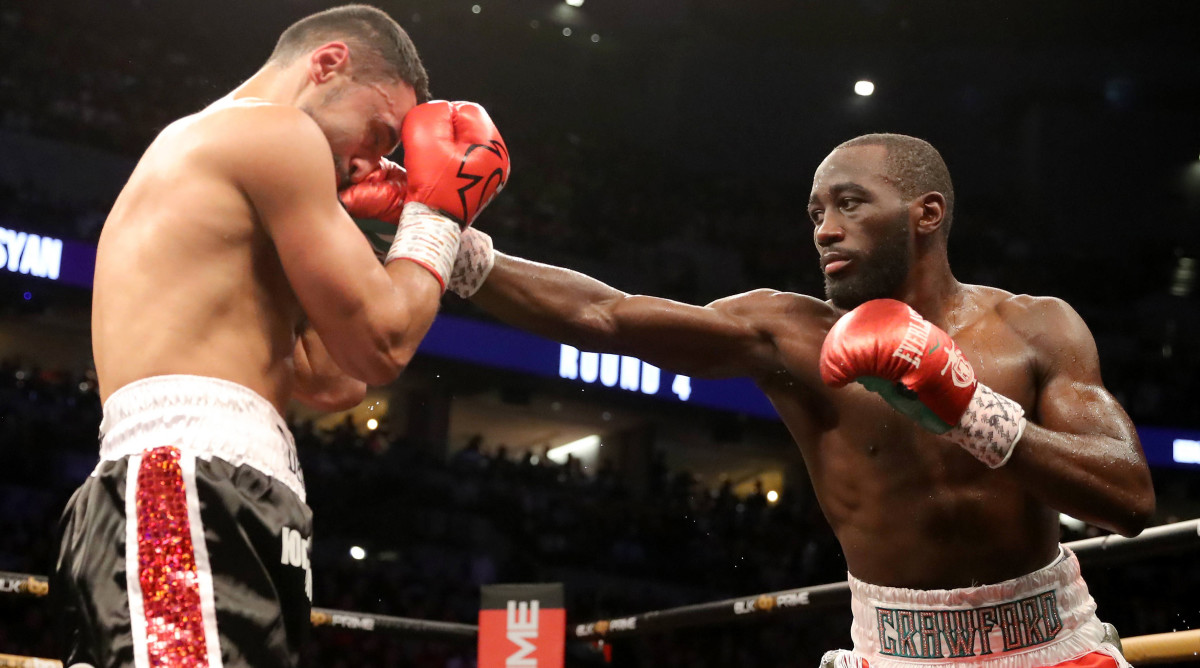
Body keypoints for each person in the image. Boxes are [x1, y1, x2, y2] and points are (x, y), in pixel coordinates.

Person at [445, 133, 1154, 668]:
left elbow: (1128, 498)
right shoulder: (788, 336)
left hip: (1054, 645)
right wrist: (450, 244)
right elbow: (607, 314)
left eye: (849, 203)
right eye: (816, 211)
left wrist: (969, 412)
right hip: (895, 653)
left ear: (926, 213)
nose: (824, 229)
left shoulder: (1036, 326)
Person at [53, 5, 509, 667]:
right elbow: (383, 343)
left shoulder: (240, 170)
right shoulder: (273, 131)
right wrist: (435, 214)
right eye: (379, 133)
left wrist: (372, 233)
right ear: (327, 65)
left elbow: (336, 377)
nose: (373, 161)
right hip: (185, 483)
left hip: (229, 489)